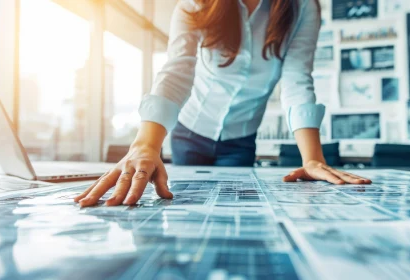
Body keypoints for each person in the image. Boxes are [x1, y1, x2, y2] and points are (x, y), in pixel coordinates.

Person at [75, 0, 371, 207]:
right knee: (184, 208)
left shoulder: (303, 7)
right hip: (189, 131)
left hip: (240, 140)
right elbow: (178, 69)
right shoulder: (196, 2)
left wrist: (312, 159)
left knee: (235, 211)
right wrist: (145, 144)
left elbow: (297, 78)